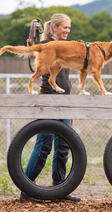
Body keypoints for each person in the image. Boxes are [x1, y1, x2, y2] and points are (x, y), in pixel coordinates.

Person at [20, 13, 80, 202]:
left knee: (63, 146)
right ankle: (26, 189)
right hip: (48, 101)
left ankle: (59, 190)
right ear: (54, 28)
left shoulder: (64, 47)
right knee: (44, 145)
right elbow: (33, 54)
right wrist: (31, 43)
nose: (67, 31)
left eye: (69, 28)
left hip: (65, 101)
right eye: (64, 27)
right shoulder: (47, 44)